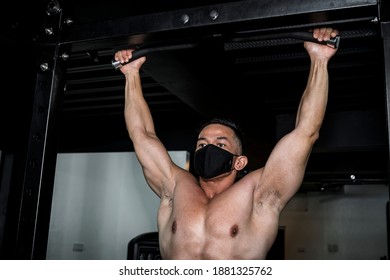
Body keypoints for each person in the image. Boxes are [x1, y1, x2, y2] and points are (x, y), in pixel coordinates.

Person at [114, 27, 339, 259]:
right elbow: (142, 135)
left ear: (240, 162)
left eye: (220, 145)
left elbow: (305, 133)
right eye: (202, 144)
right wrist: (131, 74)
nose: (208, 148)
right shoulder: (174, 187)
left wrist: (319, 59)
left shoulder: (258, 195)